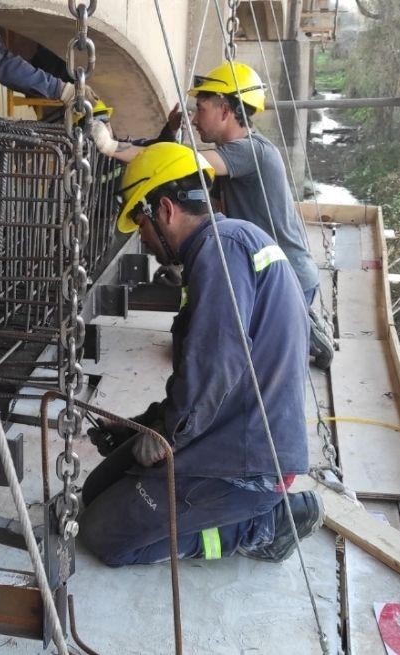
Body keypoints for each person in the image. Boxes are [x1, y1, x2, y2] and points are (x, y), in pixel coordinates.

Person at [78, 142, 323, 567]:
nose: (142, 238)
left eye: (141, 223)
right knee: (94, 491)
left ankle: (263, 525)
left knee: (104, 536)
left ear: (166, 210)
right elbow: (215, 374)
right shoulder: (229, 243)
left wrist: (166, 438)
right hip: (230, 428)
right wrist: (144, 424)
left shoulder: (221, 251)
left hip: (245, 461)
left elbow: (216, 362)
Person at [91, 61, 334, 368]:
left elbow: (173, 161)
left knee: (229, 355)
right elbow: (208, 216)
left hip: (286, 278)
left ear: (225, 110)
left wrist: (110, 145)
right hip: (263, 270)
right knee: (190, 343)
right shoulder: (225, 165)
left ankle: (309, 332)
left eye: (201, 109)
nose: (194, 119)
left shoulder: (253, 152)